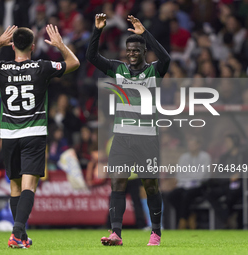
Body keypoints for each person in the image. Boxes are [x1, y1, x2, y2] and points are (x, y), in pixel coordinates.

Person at [0, 25, 79, 248]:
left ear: (12, 45)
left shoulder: (1, 68)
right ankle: (17, 233)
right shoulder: (42, 67)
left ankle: (20, 236)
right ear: (33, 46)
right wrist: (60, 45)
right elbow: (74, 63)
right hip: (34, 133)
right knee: (29, 186)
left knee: (15, 188)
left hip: (9, 135)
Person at [86, 13, 170, 246]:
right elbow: (91, 56)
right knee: (117, 183)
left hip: (147, 139)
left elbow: (166, 58)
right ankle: (116, 233)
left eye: (136, 50)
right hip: (122, 137)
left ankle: (155, 232)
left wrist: (146, 35)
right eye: (129, 50)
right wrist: (97, 30)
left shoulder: (154, 71)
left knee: (150, 185)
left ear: (143, 52)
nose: (131, 54)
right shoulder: (118, 69)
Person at [167, 137, 211, 229]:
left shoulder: (205, 157)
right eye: (189, 145)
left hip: (200, 186)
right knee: (171, 195)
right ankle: (190, 216)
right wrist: (192, 175)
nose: (191, 147)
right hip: (184, 185)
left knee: (186, 195)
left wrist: (188, 175)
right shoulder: (184, 157)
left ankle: (182, 220)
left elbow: (201, 176)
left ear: (199, 145)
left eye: (193, 144)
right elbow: (179, 174)